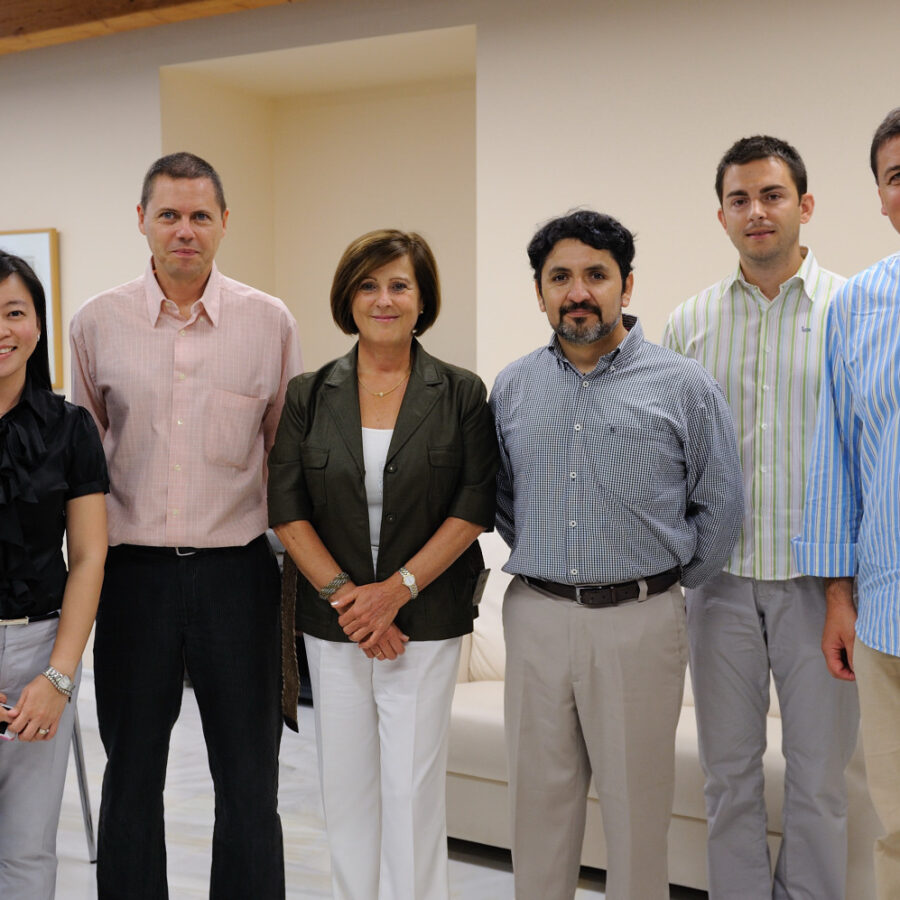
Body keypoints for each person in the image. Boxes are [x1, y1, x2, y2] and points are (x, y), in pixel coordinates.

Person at [490, 209, 743, 900]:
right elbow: (505, 500)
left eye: (596, 275)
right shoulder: (512, 387)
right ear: (540, 292)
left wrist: (655, 585)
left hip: (641, 620)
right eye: (560, 278)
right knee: (537, 811)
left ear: (626, 285)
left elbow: (719, 508)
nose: (579, 292)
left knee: (637, 815)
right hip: (536, 615)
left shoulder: (684, 386)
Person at [70, 152, 301, 899]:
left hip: (239, 576)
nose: (184, 230)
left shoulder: (269, 322)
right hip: (132, 579)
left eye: (200, 215)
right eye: (168, 214)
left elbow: (285, 457)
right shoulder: (96, 322)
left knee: (250, 780)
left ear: (224, 223)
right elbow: (82, 464)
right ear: (142, 220)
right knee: (132, 777)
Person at [268, 229, 497, 900]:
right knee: (345, 792)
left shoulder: (461, 393)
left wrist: (394, 592)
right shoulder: (309, 394)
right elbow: (287, 510)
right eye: (368, 285)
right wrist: (353, 600)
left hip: (426, 622)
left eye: (400, 285)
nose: (384, 299)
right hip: (333, 622)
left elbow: (473, 507)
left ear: (423, 300)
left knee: (413, 793)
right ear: (348, 298)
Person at [663, 136, 859, 899]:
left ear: (804, 205)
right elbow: (670, 458)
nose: (756, 212)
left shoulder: (854, 309)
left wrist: (852, 584)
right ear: (721, 216)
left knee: (820, 780)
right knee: (728, 776)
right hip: (720, 586)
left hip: (825, 587)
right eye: (739, 199)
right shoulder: (689, 324)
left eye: (772, 195)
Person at [795, 106, 900, 900]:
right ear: (881, 195)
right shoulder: (857, 306)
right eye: (897, 176)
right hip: (889, 616)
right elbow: (837, 461)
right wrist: (838, 594)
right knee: (895, 821)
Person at [0, 251, 108, 898]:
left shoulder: (71, 429)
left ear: (38, 325)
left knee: (28, 849)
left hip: (41, 648)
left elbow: (89, 555)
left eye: (14, 312)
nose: (2, 329)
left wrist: (59, 677)